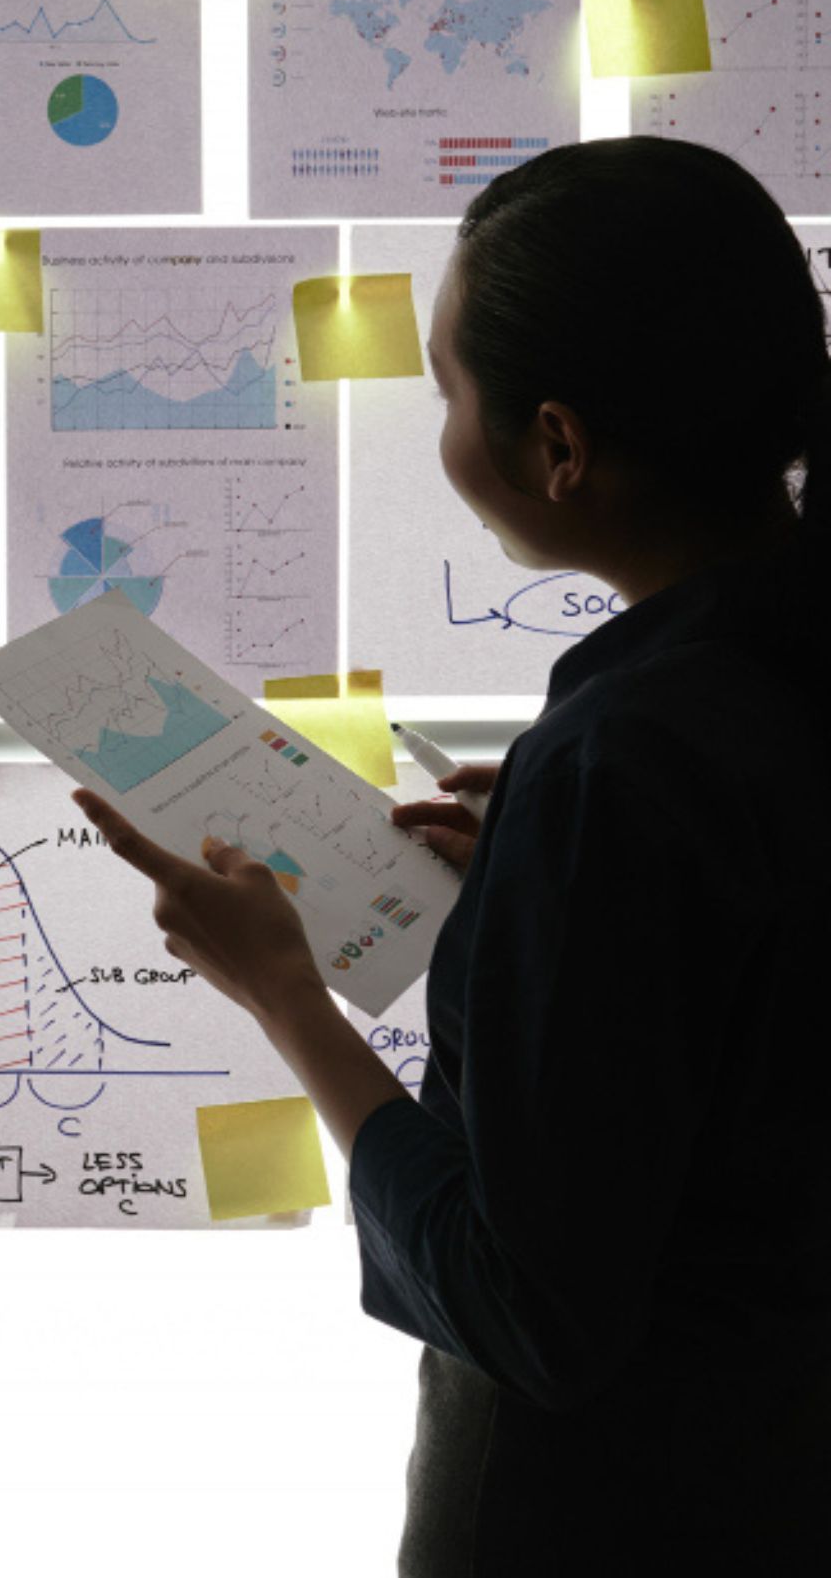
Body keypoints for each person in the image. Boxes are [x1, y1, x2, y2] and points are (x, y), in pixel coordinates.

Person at [74, 137, 829, 1570]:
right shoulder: (757, 687)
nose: (442, 434)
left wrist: (285, 996)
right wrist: (538, 886)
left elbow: (530, 1301)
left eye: (446, 391)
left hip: (607, 1516)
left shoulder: (629, 758)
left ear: (559, 443)